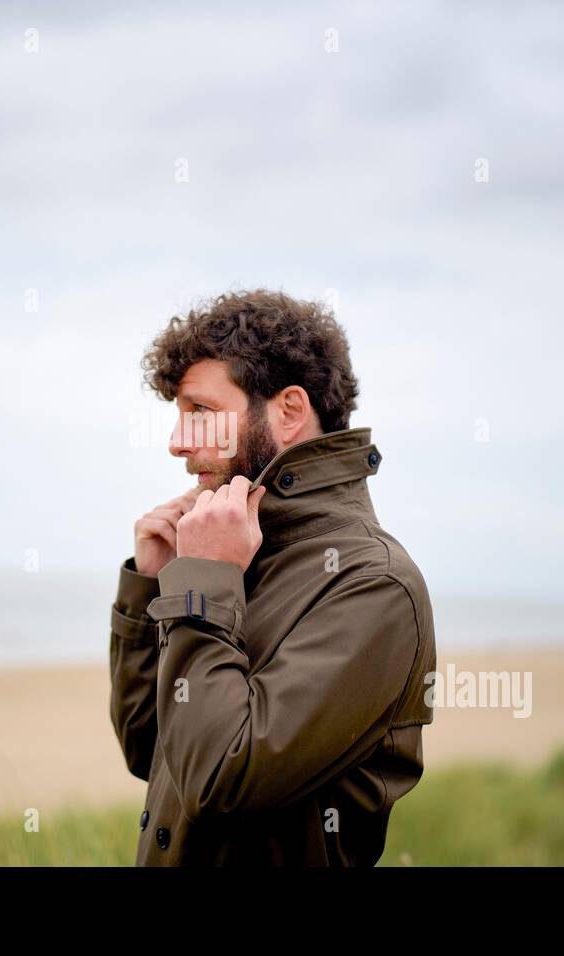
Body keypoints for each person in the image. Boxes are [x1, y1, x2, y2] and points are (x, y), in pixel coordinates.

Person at [109, 288, 436, 865]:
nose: (177, 443)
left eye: (200, 413)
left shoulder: (374, 585)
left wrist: (201, 584)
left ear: (288, 411)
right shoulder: (237, 553)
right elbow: (153, 751)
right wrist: (153, 588)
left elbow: (218, 782)